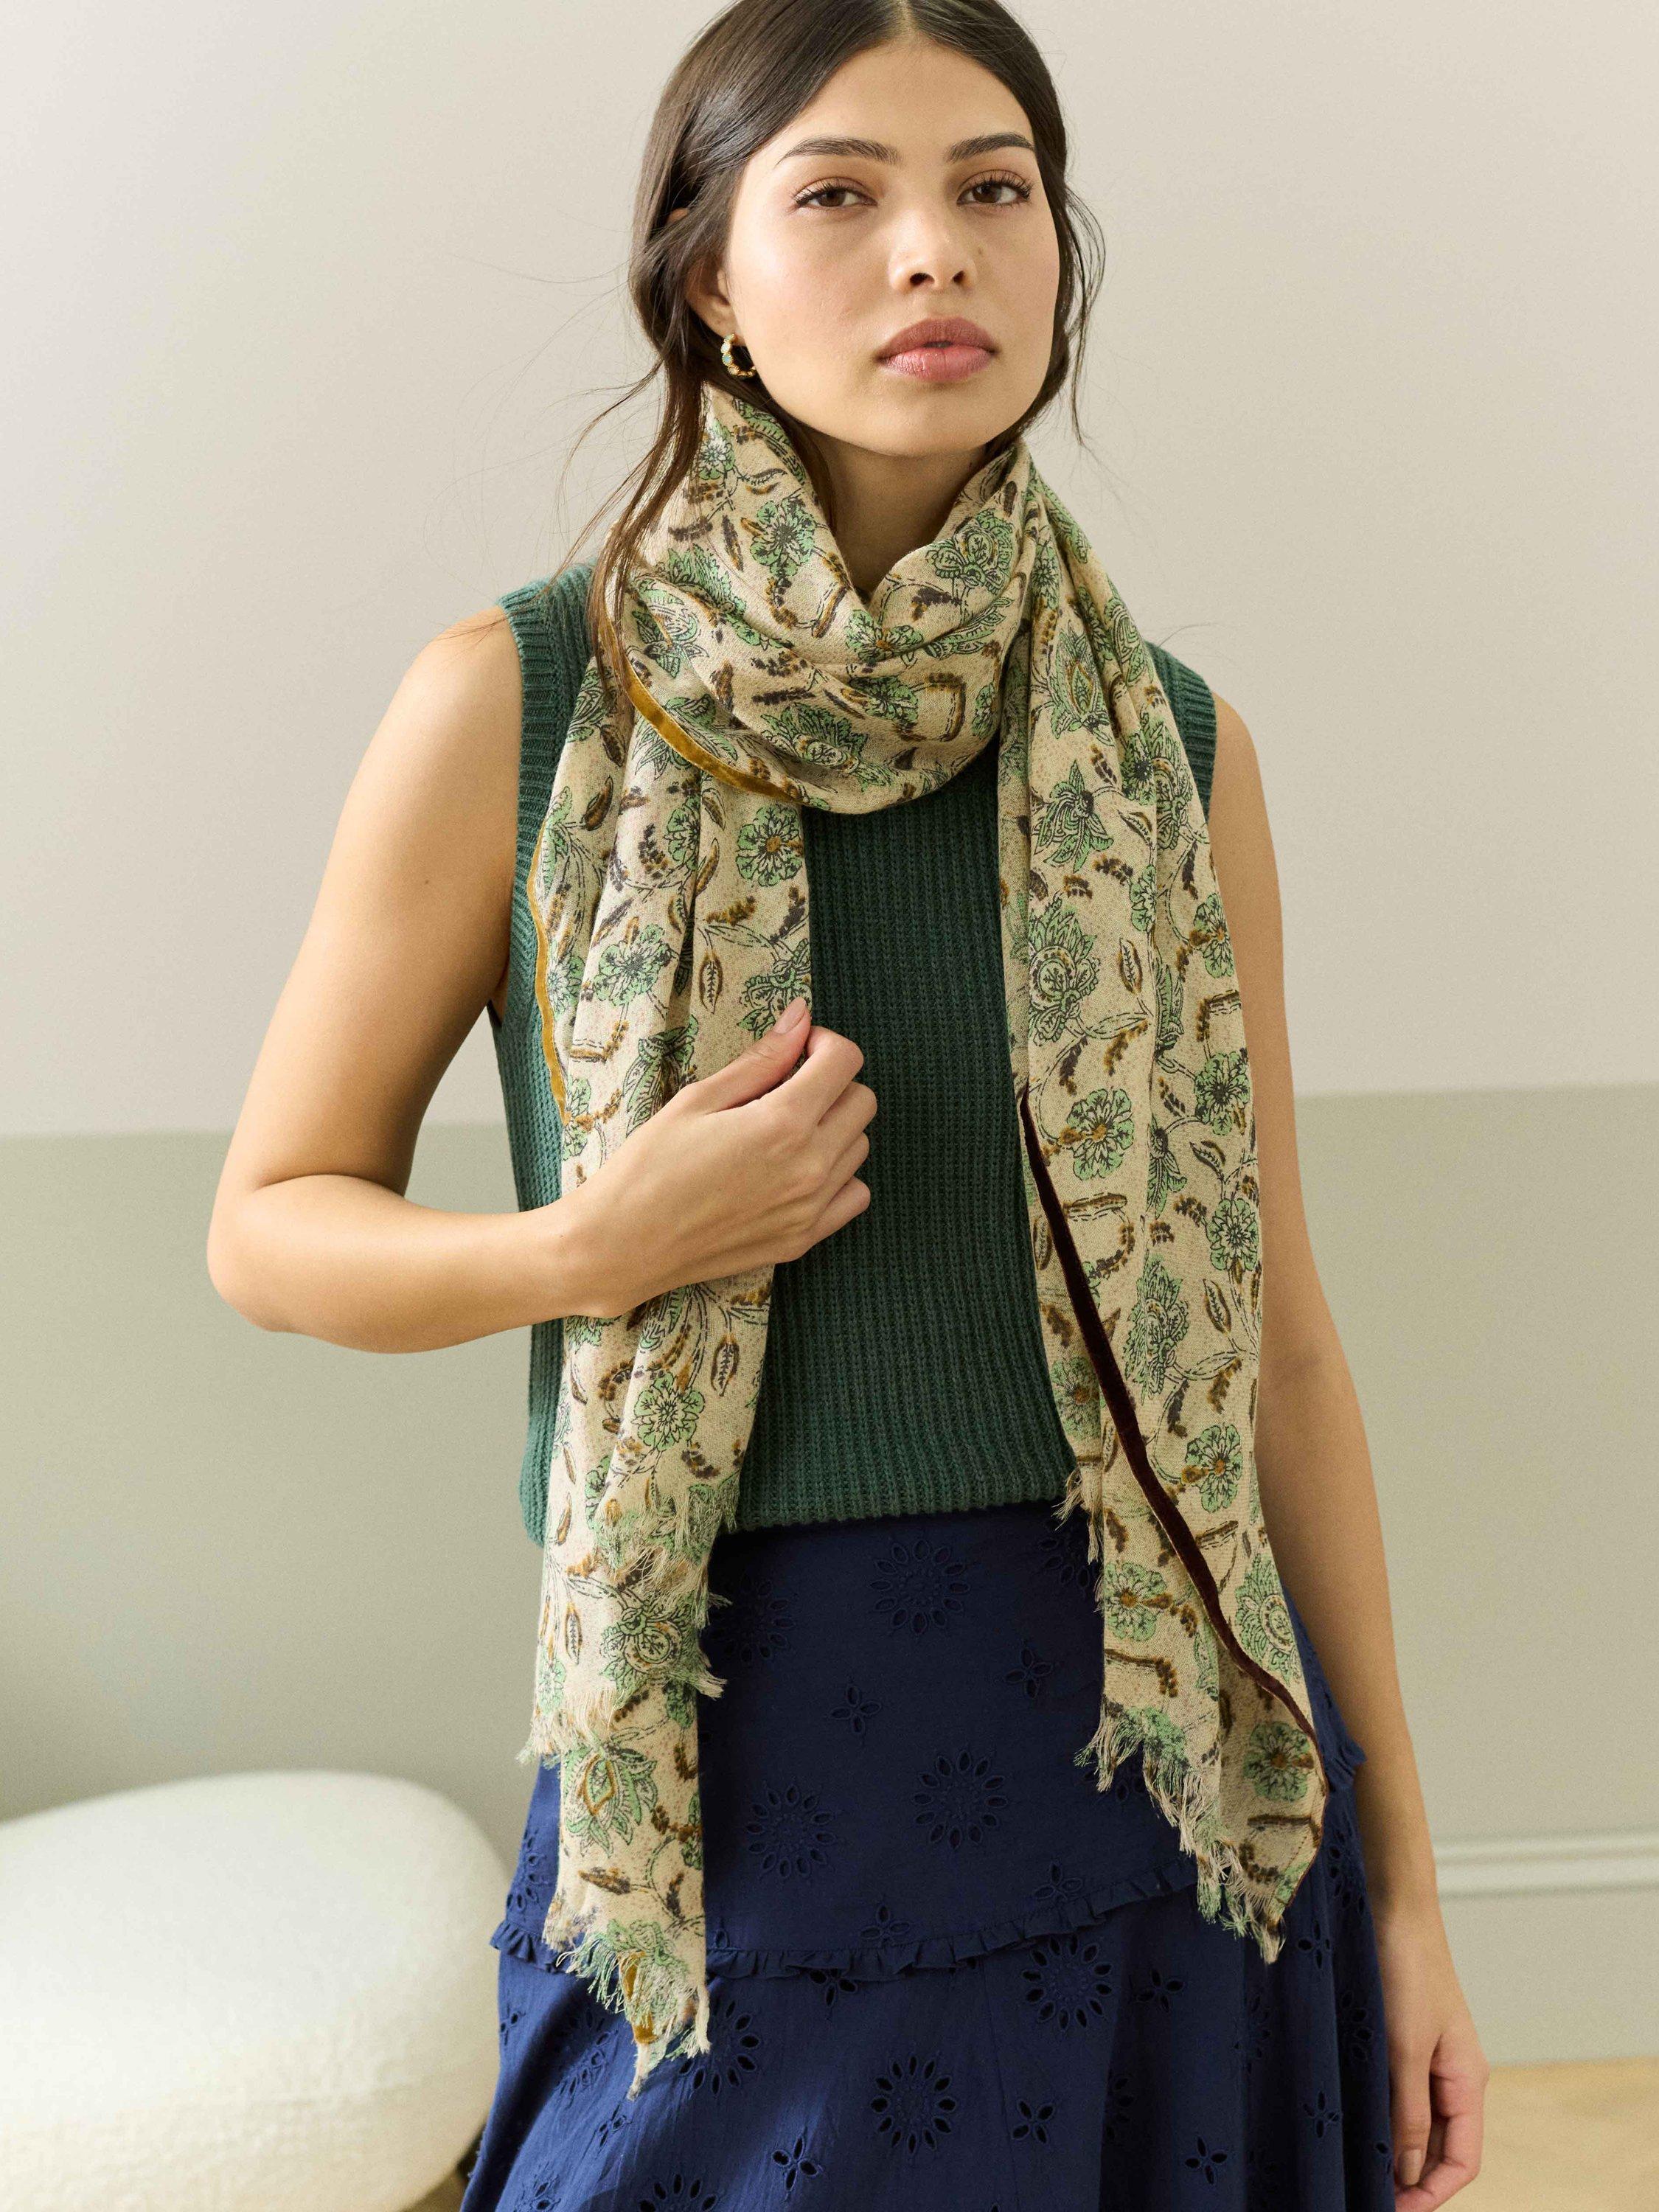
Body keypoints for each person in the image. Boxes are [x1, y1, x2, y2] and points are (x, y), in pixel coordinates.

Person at [207, 2, 1489, 2205]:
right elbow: (271, 1224)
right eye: (839, 194)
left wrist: (1408, 1897)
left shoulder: (1172, 751)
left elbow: (1277, 1339)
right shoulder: (520, 701)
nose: (934, 252)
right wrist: (591, 1249)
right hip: (742, 1780)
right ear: (709, 277)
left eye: (995, 189)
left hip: (1171, 1781)